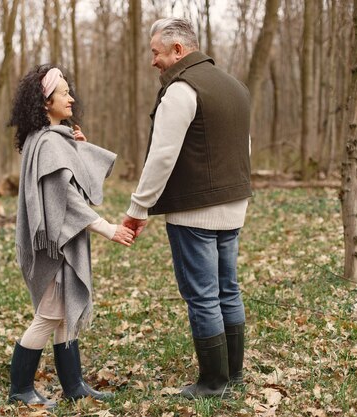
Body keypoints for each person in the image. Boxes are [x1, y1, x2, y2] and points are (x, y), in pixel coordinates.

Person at [122, 18, 251, 399]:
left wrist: (137, 208)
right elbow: (242, 149)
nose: (153, 62)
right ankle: (233, 375)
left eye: (156, 53)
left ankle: (213, 384)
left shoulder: (182, 89)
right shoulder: (235, 87)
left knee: (203, 295)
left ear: (178, 50)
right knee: (228, 289)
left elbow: (161, 157)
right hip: (233, 205)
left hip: (194, 211)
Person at [9, 64, 135, 408]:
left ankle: (74, 386)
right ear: (45, 100)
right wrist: (107, 228)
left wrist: (78, 149)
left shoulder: (50, 139)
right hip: (54, 248)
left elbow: (77, 180)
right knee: (49, 315)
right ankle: (20, 389)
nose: (71, 98)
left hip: (58, 245)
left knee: (64, 312)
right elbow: (66, 199)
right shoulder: (49, 143)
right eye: (64, 93)